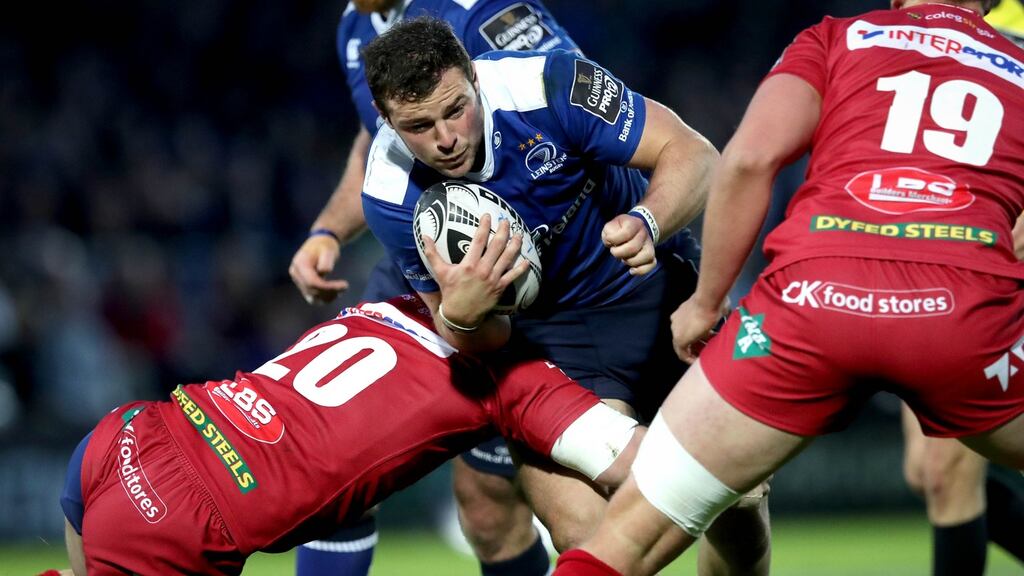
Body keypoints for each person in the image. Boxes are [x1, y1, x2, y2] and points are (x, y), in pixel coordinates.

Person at [550, 1, 1024, 574]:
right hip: (961, 314)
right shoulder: (1015, 63)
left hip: (810, 300)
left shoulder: (836, 38)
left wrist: (706, 303)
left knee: (628, 538)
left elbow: (750, 160)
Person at [355, 15, 773, 575]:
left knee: (741, 503)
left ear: (476, 79)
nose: (445, 138)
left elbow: (695, 154)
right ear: (385, 120)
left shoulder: (549, 84)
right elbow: (469, 335)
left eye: (455, 109)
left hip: (658, 294)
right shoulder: (389, 193)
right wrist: (463, 313)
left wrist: (650, 220)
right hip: (548, 346)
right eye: (418, 125)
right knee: (584, 533)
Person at [288, 2, 582, 574]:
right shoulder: (355, 25)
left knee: (494, 507)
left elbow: (571, 104)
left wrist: (506, 271)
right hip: (415, 270)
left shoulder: (479, 11)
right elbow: (375, 140)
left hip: (521, 280)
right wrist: (329, 229)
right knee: (334, 463)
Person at [58, 293, 645, 575]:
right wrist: (727, 418)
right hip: (194, 517)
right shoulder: (512, 380)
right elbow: (642, 466)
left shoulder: (380, 307)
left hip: (132, 433)